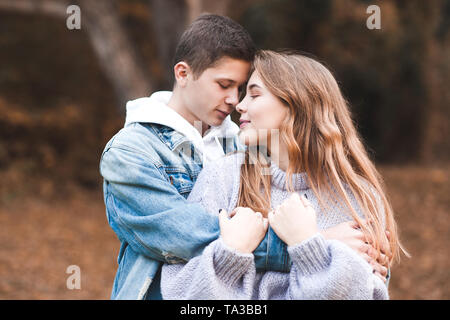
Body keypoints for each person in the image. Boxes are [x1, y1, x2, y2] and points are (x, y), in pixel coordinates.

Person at [101, 14, 389, 300]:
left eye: (241, 88)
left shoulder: (249, 144)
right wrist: (318, 245)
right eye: (224, 85)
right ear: (183, 74)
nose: (235, 101)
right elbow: (183, 236)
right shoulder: (130, 152)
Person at [160, 50, 406, 299]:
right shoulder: (223, 177)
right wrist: (230, 255)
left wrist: (308, 246)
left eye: (254, 94)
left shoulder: (358, 198)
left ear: (297, 106)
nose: (240, 105)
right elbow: (181, 293)